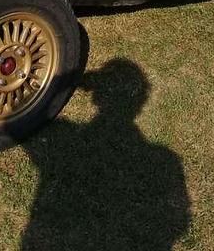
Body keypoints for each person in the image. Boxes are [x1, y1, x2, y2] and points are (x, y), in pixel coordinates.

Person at [20, 59, 191, 251]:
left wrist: (64, 78)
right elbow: (179, 222)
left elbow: (12, 123)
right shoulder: (166, 160)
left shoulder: (68, 139)